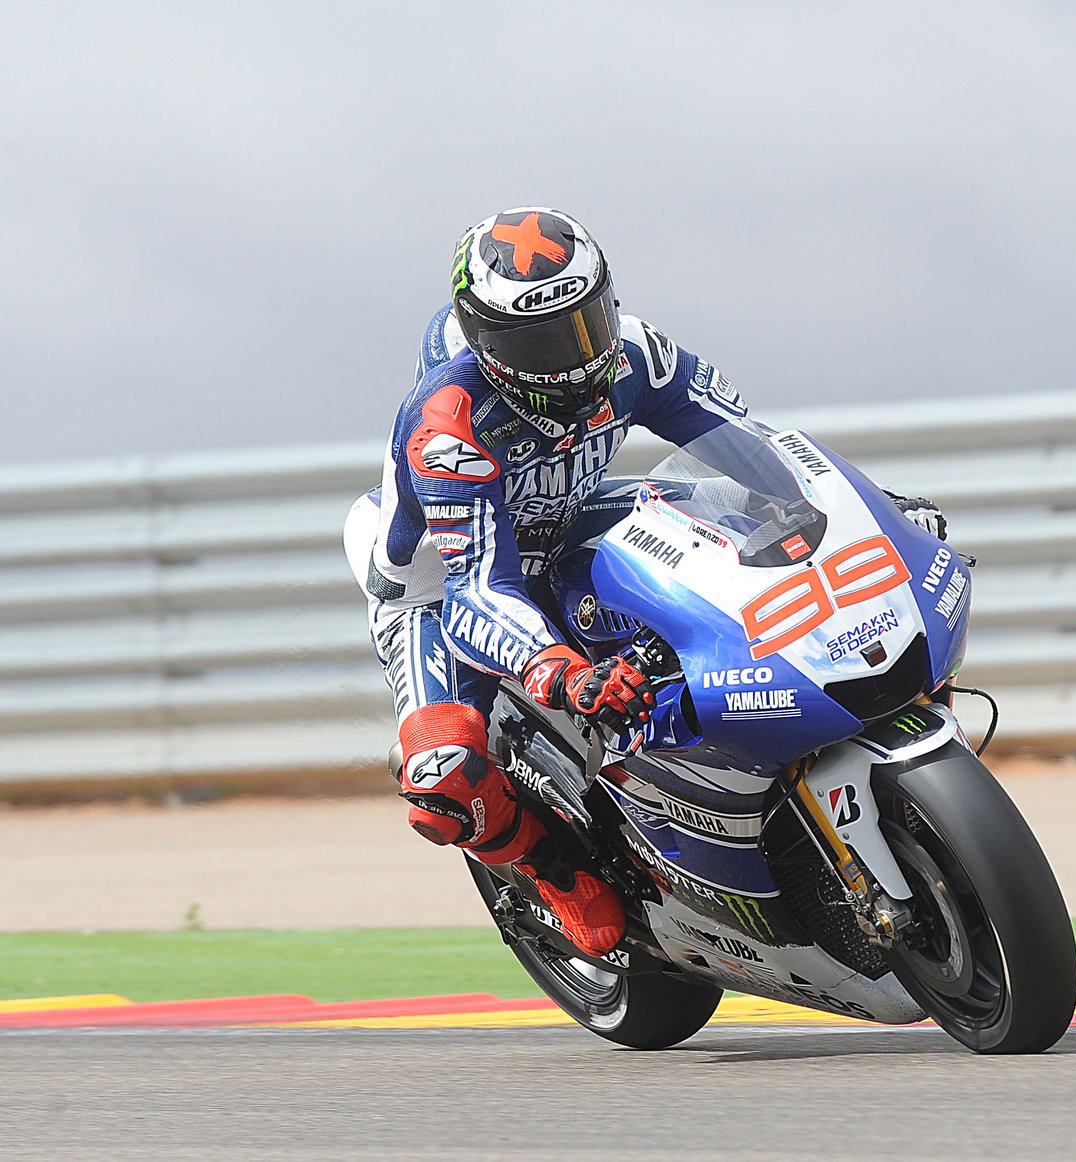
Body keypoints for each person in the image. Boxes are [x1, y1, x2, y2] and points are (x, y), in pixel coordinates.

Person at [344, 206, 944, 958]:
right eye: (541, 341)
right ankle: (552, 872)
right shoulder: (448, 427)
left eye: (586, 322)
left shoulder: (636, 354)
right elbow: (476, 588)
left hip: (572, 518)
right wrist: (553, 667)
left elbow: (745, 449)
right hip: (440, 586)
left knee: (733, 531)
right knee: (443, 776)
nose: (575, 357)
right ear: (485, 343)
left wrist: (860, 515)